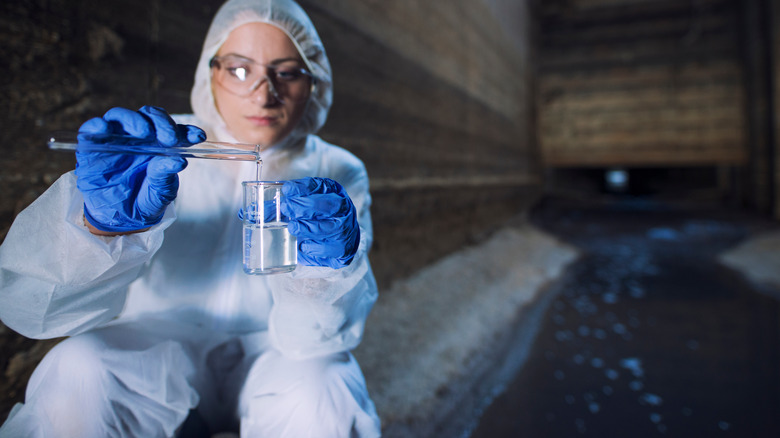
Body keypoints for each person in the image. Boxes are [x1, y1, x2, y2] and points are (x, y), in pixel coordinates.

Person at [0, 0, 381, 436]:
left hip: (277, 351)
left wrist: (324, 273)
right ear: (210, 71)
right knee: (79, 368)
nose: (263, 93)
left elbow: (321, 339)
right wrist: (99, 226)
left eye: (287, 72)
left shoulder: (337, 169)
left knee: (325, 387)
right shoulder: (158, 149)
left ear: (314, 82)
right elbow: (30, 309)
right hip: (160, 349)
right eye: (239, 69)